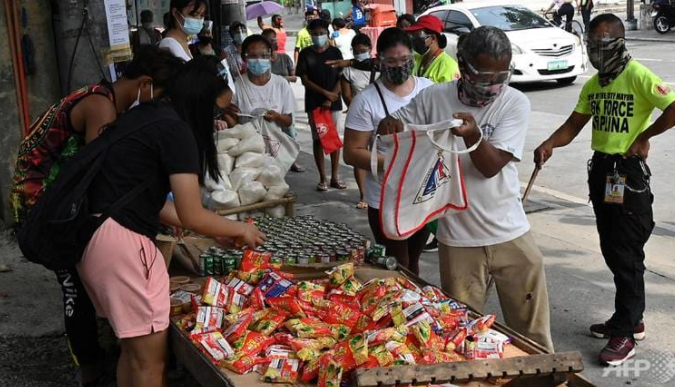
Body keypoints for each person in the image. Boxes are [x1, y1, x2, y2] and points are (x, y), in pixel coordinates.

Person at [77, 56, 266, 387]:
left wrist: (213, 229)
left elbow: (145, 198)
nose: (218, 119)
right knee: (151, 363)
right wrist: (239, 228)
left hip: (95, 236)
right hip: (122, 243)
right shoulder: (177, 131)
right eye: (216, 111)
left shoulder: (146, 116)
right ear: (198, 100)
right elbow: (192, 213)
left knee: (133, 353)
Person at [9, 46, 184, 387]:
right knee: (74, 287)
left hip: (56, 199)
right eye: (160, 97)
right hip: (45, 207)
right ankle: (90, 372)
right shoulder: (101, 106)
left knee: (86, 284)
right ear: (145, 84)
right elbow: (103, 178)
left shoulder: (103, 97)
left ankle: (105, 359)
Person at [378, 26, 554, 352]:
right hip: (458, 240)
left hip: (510, 234)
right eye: (484, 77)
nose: (494, 86)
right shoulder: (434, 98)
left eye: (502, 76)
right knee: (461, 334)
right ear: (462, 64)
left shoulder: (514, 103)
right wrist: (389, 126)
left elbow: (490, 166)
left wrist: (473, 136)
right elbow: (395, 128)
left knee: (533, 337)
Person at [534, 14, 675, 365]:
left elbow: (672, 106)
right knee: (612, 248)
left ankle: (625, 332)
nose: (597, 53)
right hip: (602, 171)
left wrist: (644, 136)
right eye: (592, 47)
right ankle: (628, 319)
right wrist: (549, 144)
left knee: (627, 252)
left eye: (603, 46)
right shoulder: (594, 84)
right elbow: (573, 124)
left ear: (620, 43)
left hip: (627, 174)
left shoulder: (638, 76)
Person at [344, 27, 433, 273]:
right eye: (391, 61)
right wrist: (397, 162)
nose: (399, 66)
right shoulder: (367, 100)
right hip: (386, 198)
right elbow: (352, 153)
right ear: (379, 60)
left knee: (413, 263)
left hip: (423, 194)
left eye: (405, 60)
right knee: (397, 265)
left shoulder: (429, 90)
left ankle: (414, 309)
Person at [297, 18, 347, 191]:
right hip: (314, 102)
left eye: (321, 33)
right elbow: (304, 79)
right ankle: (322, 178)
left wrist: (332, 96)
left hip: (333, 101)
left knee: (333, 137)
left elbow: (342, 76)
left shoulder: (335, 53)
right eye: (315, 34)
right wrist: (325, 94)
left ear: (327, 33)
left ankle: (335, 176)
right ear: (310, 35)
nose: (318, 36)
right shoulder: (305, 54)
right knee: (318, 139)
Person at [232, 35, 297, 157]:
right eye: (252, 56)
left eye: (263, 56)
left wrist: (277, 117)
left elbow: (288, 121)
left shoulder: (280, 84)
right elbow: (232, 122)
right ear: (243, 57)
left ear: (271, 56)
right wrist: (227, 113)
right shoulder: (236, 85)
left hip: (274, 151)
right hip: (245, 152)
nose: (258, 60)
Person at [340, 33, 378, 210]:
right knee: (359, 156)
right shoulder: (348, 71)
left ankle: (378, 190)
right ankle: (364, 193)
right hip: (359, 119)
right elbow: (346, 95)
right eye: (356, 51)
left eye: (363, 51)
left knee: (380, 153)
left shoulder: (379, 67)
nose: (360, 54)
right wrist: (359, 110)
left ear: (370, 49)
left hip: (380, 117)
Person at [406, 15, 460, 84]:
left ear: (433, 38)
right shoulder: (415, 59)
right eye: (413, 36)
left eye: (418, 36)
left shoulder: (448, 67)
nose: (414, 40)